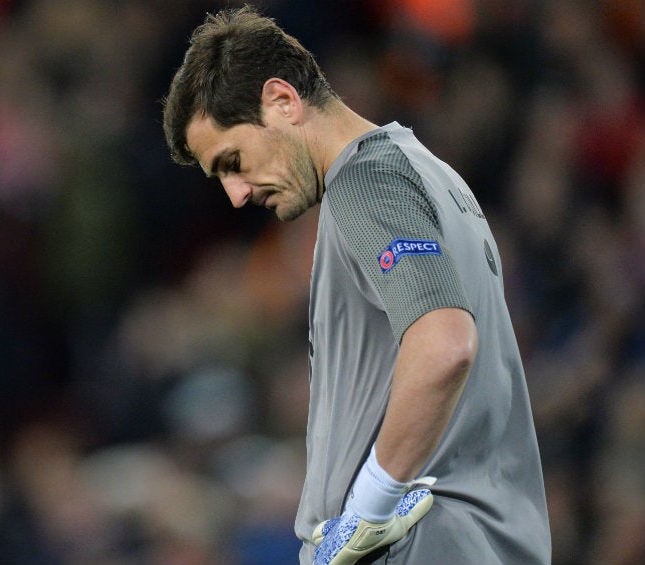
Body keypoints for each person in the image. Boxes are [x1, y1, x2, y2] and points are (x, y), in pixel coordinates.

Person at [162, 6, 551, 565]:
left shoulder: (366, 181)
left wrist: (367, 510)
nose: (237, 194)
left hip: (422, 546)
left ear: (282, 100)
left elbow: (444, 344)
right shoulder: (430, 174)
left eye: (234, 161)